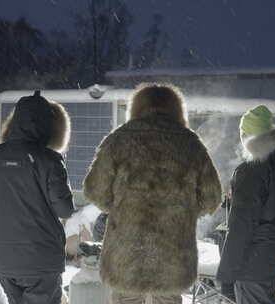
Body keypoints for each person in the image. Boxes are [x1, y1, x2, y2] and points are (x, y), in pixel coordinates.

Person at [83, 83, 223, 304]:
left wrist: (124, 205)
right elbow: (211, 199)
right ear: (177, 109)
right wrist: (183, 209)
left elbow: (95, 191)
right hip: (172, 255)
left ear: (136, 107)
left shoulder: (120, 139)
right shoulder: (189, 143)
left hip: (126, 254)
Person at [0, 92, 76, 304]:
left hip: (5, 258)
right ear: (47, 125)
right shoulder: (50, 161)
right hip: (41, 261)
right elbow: (65, 209)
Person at [217, 105, 275, 304]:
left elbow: (241, 226)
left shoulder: (252, 169)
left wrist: (226, 276)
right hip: (270, 255)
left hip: (250, 263)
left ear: (246, 135)